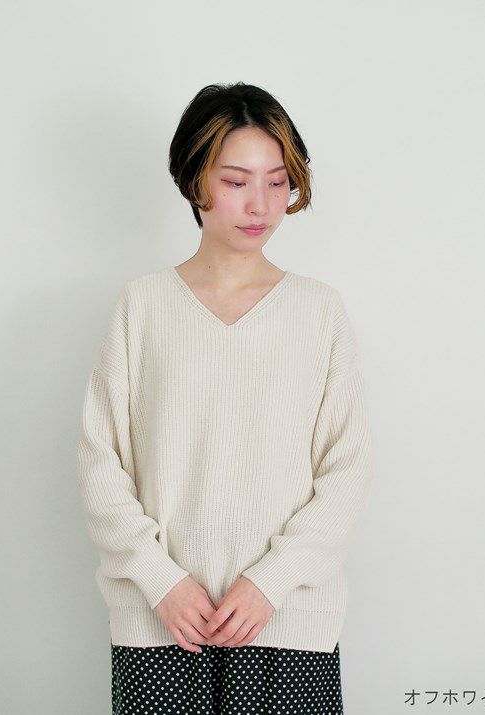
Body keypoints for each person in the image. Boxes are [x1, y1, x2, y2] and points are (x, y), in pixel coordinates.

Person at [76, 82, 374, 714]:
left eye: (277, 182)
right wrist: (160, 581)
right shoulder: (143, 307)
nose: (259, 204)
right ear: (195, 181)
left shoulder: (319, 312)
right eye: (236, 181)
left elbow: (346, 470)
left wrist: (270, 583)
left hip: (287, 625)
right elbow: (101, 462)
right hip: (162, 626)